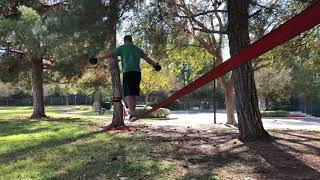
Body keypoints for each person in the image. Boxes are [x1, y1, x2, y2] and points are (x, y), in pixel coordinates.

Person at [91, 35, 161, 122]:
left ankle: (132, 115)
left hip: (128, 72)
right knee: (133, 94)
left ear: (125, 41)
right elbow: (147, 58)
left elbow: (110, 54)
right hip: (137, 73)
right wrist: (155, 65)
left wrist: (97, 59)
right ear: (131, 41)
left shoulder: (122, 48)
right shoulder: (137, 49)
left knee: (129, 94)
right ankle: (132, 114)